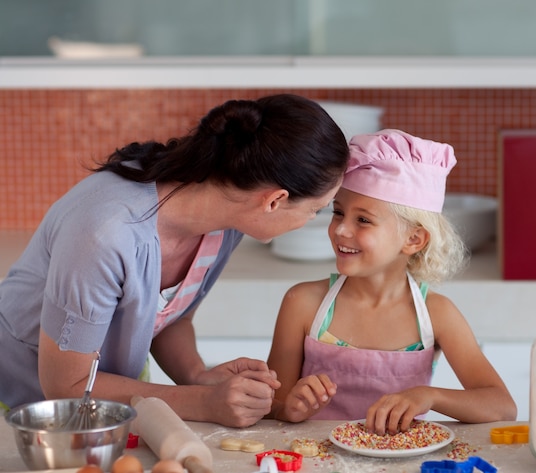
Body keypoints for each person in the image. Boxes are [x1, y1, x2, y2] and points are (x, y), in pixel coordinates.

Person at [0, 93, 349, 428]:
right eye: (316, 210)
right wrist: (201, 402)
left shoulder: (224, 223)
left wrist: (199, 376)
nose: (312, 221)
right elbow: (67, 386)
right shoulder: (105, 235)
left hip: (114, 400)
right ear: (274, 201)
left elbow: (168, 317)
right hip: (24, 405)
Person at [266, 129, 517, 434]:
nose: (341, 230)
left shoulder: (436, 314)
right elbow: (274, 406)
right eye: (338, 213)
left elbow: (502, 406)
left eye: (363, 220)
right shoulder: (303, 304)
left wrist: (430, 396)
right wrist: (289, 408)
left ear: (413, 239)